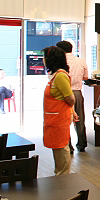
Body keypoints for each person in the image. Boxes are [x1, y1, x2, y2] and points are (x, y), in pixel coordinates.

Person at [41, 45, 78, 175]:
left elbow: (70, 98)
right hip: (54, 118)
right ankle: (60, 174)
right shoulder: (55, 75)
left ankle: (63, 176)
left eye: (44, 57)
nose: (43, 60)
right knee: (57, 146)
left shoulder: (61, 76)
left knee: (61, 147)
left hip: (59, 118)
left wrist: (72, 111)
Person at [56, 40, 90, 153]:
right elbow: (86, 77)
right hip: (77, 93)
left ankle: (68, 146)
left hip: (63, 94)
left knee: (65, 121)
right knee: (80, 119)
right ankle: (82, 144)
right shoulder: (81, 61)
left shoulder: (59, 63)